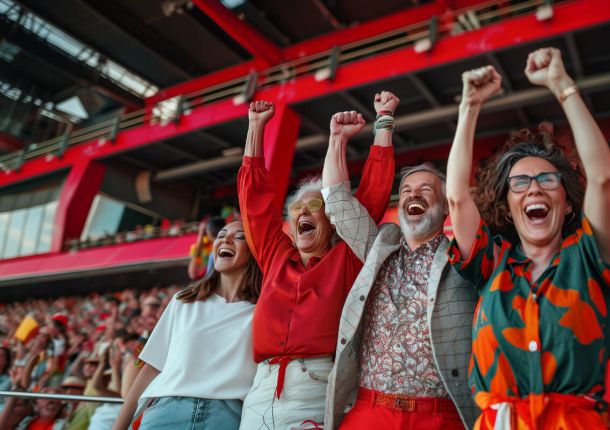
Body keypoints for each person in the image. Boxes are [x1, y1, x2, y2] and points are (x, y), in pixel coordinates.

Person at [446, 47, 610, 428]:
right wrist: (469, 106)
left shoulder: (589, 255)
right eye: (520, 182)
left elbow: (602, 179)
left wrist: (562, 85)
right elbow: (456, 196)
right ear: (508, 204)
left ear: (568, 204)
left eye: (547, 180)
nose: (534, 189)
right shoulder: (493, 262)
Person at [238, 94, 396, 429]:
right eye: (297, 209)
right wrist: (255, 128)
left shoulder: (348, 257)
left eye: (316, 208)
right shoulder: (275, 255)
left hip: (317, 386)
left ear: (333, 222)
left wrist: (382, 121)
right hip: (261, 388)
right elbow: (254, 205)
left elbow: (372, 195)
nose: (304, 213)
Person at [322, 158, 477, 427]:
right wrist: (338, 138)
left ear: (445, 208)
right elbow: (337, 203)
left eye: (426, 189)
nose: (414, 194)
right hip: (369, 412)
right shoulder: (380, 248)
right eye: (406, 190)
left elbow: (462, 198)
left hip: (437, 417)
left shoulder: (461, 258)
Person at [112, 220, 262, 430]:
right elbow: (151, 367)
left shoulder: (264, 309)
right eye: (221, 235)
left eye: (239, 236)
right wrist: (118, 426)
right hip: (167, 412)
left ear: (256, 250)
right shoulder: (184, 301)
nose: (225, 239)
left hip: (227, 417)